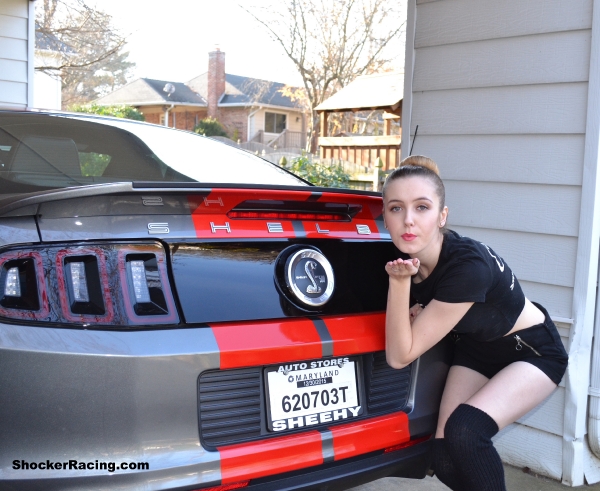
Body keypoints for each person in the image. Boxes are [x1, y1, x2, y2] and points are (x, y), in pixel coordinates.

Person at [382, 155, 568, 491]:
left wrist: (400, 286)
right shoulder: (402, 258)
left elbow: (399, 355)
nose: (408, 220)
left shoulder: (467, 267)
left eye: (421, 207)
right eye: (396, 208)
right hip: (476, 348)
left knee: (467, 431)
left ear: (442, 216)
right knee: (442, 455)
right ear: (385, 216)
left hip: (530, 350)